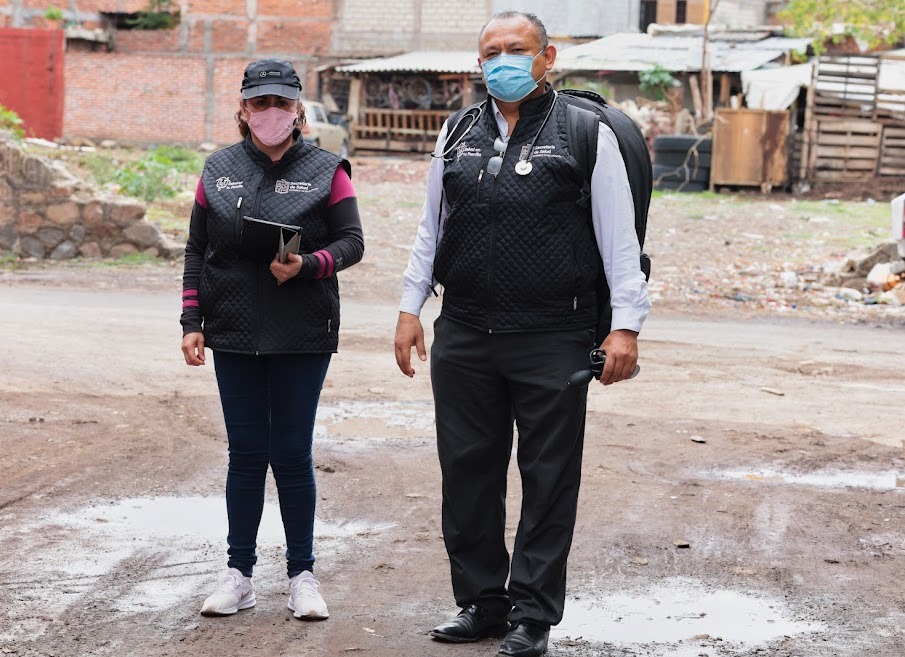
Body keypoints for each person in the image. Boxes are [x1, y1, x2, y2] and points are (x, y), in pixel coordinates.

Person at [393, 11, 650, 657]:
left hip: (552, 333)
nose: (502, 60)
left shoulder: (585, 133)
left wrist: (625, 326)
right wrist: (409, 305)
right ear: (477, 62)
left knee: (548, 477)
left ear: (547, 56)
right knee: (467, 472)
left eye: (516, 49)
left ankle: (532, 615)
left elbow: (619, 240)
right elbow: (431, 225)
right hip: (464, 331)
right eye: (491, 52)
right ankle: (482, 603)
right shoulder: (457, 131)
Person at [181, 58, 364, 621]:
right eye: (260, 103)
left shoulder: (327, 169)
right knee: (244, 454)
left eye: (281, 103)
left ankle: (301, 576)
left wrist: (309, 265)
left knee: (290, 454)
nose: (270, 112)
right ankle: (238, 575)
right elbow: (196, 249)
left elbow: (352, 242)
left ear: (297, 110)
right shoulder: (218, 169)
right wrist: (191, 320)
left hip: (302, 333)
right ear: (243, 109)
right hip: (232, 331)